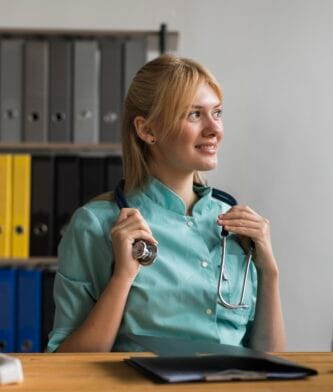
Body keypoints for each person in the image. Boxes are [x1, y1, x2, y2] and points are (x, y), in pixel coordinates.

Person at [47, 54, 285, 353]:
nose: (214, 129)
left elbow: (269, 358)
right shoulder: (97, 225)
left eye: (218, 113)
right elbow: (65, 362)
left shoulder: (236, 224)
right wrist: (123, 277)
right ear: (147, 130)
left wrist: (269, 271)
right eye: (194, 115)